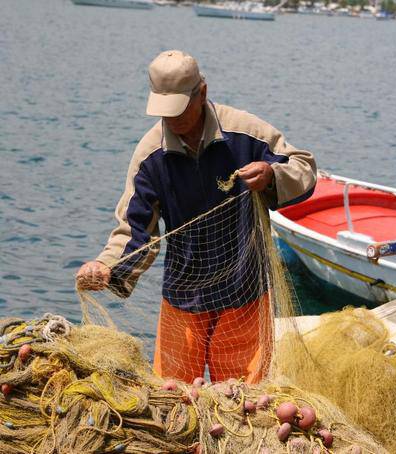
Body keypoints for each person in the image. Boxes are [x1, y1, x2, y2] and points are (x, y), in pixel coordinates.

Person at [75, 50, 316, 384]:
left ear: (201, 93)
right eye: (163, 112)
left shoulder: (244, 133)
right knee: (173, 399)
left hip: (244, 292)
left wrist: (272, 175)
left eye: (178, 110)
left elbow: (303, 167)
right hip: (183, 296)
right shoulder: (151, 155)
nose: (171, 121)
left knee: (242, 404)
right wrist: (107, 266)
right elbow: (135, 228)